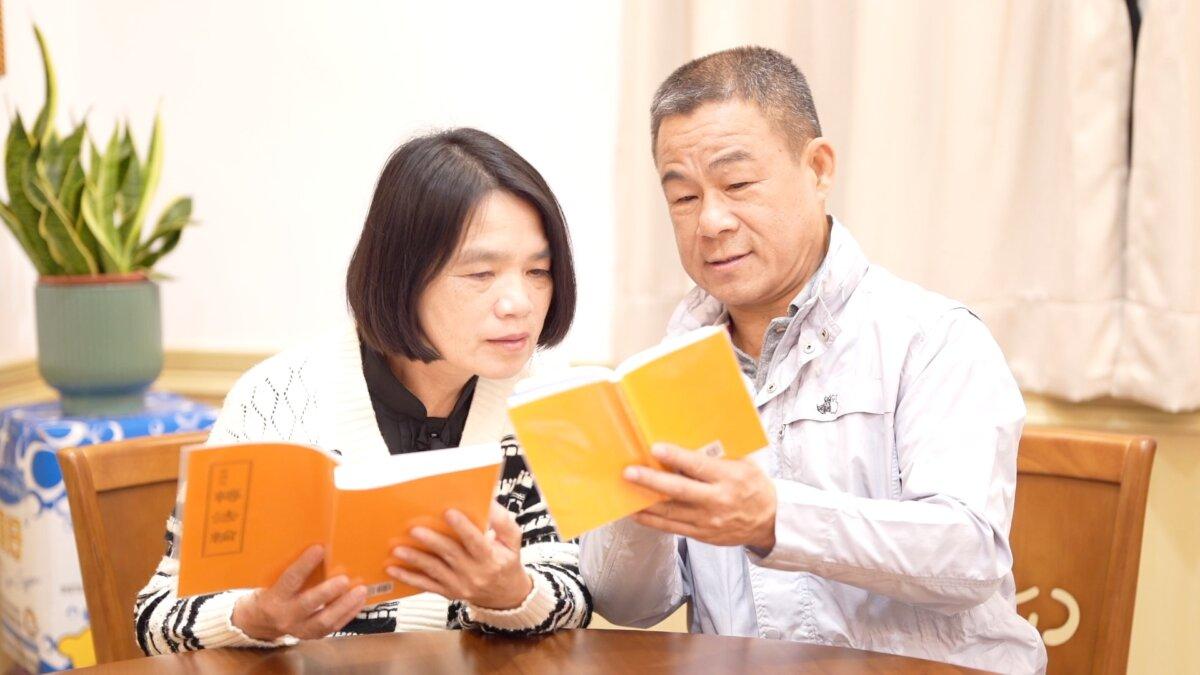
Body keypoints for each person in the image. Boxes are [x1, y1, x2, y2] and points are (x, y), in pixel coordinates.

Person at [580, 46, 1046, 673]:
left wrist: (774, 518)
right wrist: (638, 510)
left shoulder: (932, 337)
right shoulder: (669, 366)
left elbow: (967, 557)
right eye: (684, 198)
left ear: (818, 168)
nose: (711, 221)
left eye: (738, 184)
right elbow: (629, 605)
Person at [135, 128, 591, 654]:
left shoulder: (546, 398)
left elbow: (573, 590)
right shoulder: (277, 398)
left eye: (539, 271)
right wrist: (257, 616)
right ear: (402, 275)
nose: (519, 302)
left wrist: (511, 592)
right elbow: (157, 619)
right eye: (481, 273)